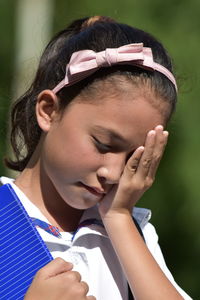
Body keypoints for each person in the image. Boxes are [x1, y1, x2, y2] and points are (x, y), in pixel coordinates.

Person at [1, 15, 192, 300]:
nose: (114, 173)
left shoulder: (133, 235)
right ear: (48, 111)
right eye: (103, 143)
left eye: (133, 157)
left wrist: (118, 217)